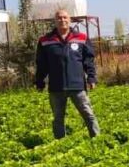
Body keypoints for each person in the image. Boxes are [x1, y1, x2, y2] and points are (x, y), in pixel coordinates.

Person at [35, 8, 100, 139]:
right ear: (55, 21)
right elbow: (41, 64)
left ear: (70, 20)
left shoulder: (81, 38)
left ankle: (97, 139)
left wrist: (91, 78)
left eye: (65, 17)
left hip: (77, 86)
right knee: (58, 118)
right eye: (59, 18)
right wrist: (39, 81)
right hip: (56, 87)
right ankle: (60, 143)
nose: (62, 20)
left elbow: (89, 60)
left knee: (88, 114)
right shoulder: (45, 41)